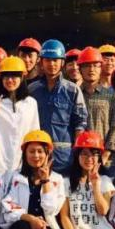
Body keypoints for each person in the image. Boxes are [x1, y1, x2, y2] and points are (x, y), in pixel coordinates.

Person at [1, 130, 67, 229]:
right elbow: (7, 205)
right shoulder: (14, 177)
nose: (36, 156)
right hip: (22, 226)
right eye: (31, 151)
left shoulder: (57, 179)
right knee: (20, 228)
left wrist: (46, 181)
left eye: (40, 151)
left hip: (46, 227)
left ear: (47, 154)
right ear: (25, 154)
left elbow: (51, 208)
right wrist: (30, 219)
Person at [59, 131, 115, 229]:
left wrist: (96, 186)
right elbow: (64, 216)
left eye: (94, 154)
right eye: (84, 154)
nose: (89, 158)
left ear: (99, 157)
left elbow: (103, 211)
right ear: (77, 156)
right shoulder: (66, 182)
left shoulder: (104, 181)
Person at [29, 40, 88, 176]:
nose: (52, 64)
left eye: (55, 60)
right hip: (38, 156)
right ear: (41, 62)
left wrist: (77, 152)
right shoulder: (32, 90)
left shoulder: (72, 90)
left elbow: (80, 123)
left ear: (62, 62)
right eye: (47, 60)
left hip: (65, 158)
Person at [0, 56, 41, 177]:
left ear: (22, 77)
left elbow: (35, 134)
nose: (9, 80)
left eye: (14, 76)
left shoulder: (31, 103)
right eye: (6, 76)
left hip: (21, 165)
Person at [77, 47, 115, 167]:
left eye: (95, 65)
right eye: (86, 66)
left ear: (101, 68)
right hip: (81, 156)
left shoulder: (111, 96)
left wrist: (107, 153)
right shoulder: (75, 94)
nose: (91, 69)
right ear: (80, 69)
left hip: (106, 156)